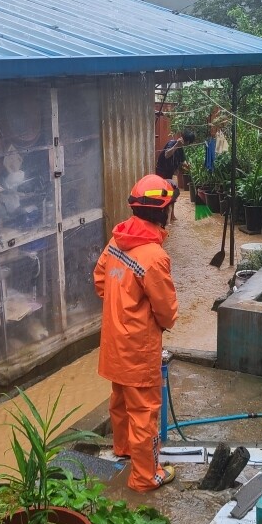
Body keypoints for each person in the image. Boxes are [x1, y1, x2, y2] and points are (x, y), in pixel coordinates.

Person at [93, 174, 179, 492]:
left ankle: (124, 449)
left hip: (113, 341)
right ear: (163, 210)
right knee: (144, 411)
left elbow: (101, 278)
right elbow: (167, 312)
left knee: (119, 400)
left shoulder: (118, 241)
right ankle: (145, 476)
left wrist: (120, 307)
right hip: (137, 347)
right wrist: (142, 320)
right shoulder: (154, 257)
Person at [155, 130, 196, 222]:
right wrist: (176, 146)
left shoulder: (181, 149)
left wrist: (187, 165)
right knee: (163, 194)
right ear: (188, 141)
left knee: (174, 193)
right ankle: (163, 214)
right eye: (189, 143)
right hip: (162, 172)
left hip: (171, 172)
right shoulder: (172, 143)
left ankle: (172, 214)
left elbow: (182, 161)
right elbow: (166, 154)